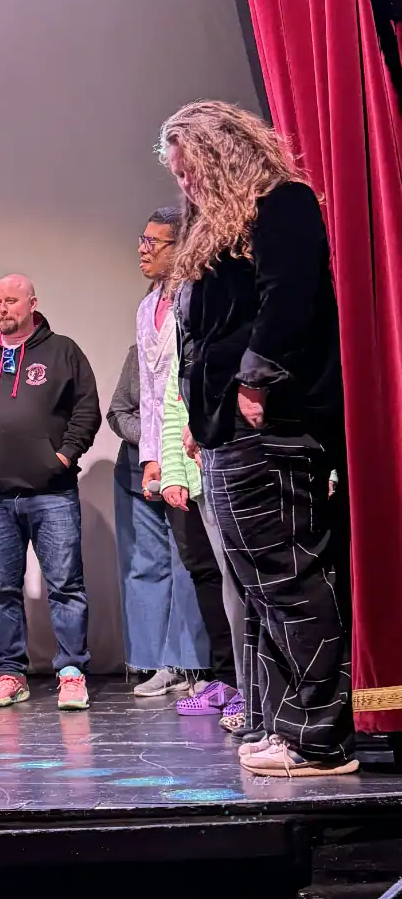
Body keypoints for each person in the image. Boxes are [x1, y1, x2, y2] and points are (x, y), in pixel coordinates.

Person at [160, 100, 354, 777]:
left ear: (222, 155)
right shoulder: (220, 229)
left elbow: (290, 298)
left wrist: (253, 384)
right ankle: (282, 725)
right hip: (225, 433)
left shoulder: (284, 204)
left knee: (291, 581)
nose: (185, 186)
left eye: (192, 170)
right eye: (177, 176)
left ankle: (320, 738)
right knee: (261, 591)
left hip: (274, 427)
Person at [0, 275, 100, 711]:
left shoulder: (62, 351)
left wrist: (65, 456)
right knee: (2, 589)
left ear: (32, 303)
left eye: (11, 300)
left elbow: (87, 407)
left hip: (52, 492)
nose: (3, 309)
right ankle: (11, 673)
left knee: (66, 585)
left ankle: (71, 673)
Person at [135, 207, 237, 705]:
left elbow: (190, 379)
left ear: (182, 246)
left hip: (204, 445)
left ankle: (241, 680)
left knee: (229, 568)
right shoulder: (146, 306)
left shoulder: (196, 297)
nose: (143, 249)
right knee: (200, 566)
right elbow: (152, 393)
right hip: (171, 454)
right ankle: (223, 676)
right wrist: (151, 457)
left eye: (156, 241)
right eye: (143, 240)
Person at [107, 340, 206, 690]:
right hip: (138, 474)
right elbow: (118, 412)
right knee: (145, 566)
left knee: (188, 569)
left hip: (186, 468)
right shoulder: (137, 353)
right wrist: (150, 442)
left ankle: (189, 664)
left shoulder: (195, 350)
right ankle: (151, 664)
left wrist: (168, 446)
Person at [159, 350, 248, 729]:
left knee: (243, 585)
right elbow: (173, 413)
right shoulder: (188, 349)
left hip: (238, 473)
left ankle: (253, 689)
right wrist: (173, 475)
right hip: (198, 480)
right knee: (211, 580)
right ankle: (230, 681)